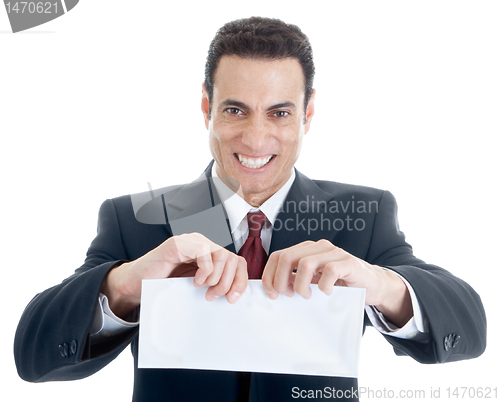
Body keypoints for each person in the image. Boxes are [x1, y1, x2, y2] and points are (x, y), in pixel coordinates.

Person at [14, 17, 486, 402]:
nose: (256, 139)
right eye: (235, 110)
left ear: (308, 112)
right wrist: (124, 285)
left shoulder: (364, 214)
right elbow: (33, 355)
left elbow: (470, 327)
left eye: (279, 112)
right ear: (206, 107)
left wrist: (382, 284)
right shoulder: (139, 219)